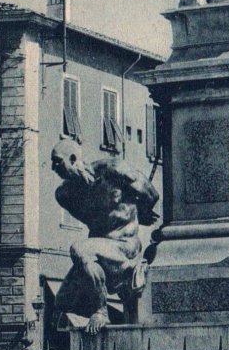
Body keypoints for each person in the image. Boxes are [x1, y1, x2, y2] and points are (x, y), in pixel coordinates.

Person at [51, 139, 159, 335]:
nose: (53, 168)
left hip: (125, 245)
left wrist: (142, 212)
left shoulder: (112, 170)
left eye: (57, 162)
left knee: (79, 249)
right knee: (63, 301)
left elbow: (151, 193)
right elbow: (91, 220)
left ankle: (101, 311)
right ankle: (119, 326)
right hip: (100, 251)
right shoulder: (65, 194)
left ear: (74, 159)